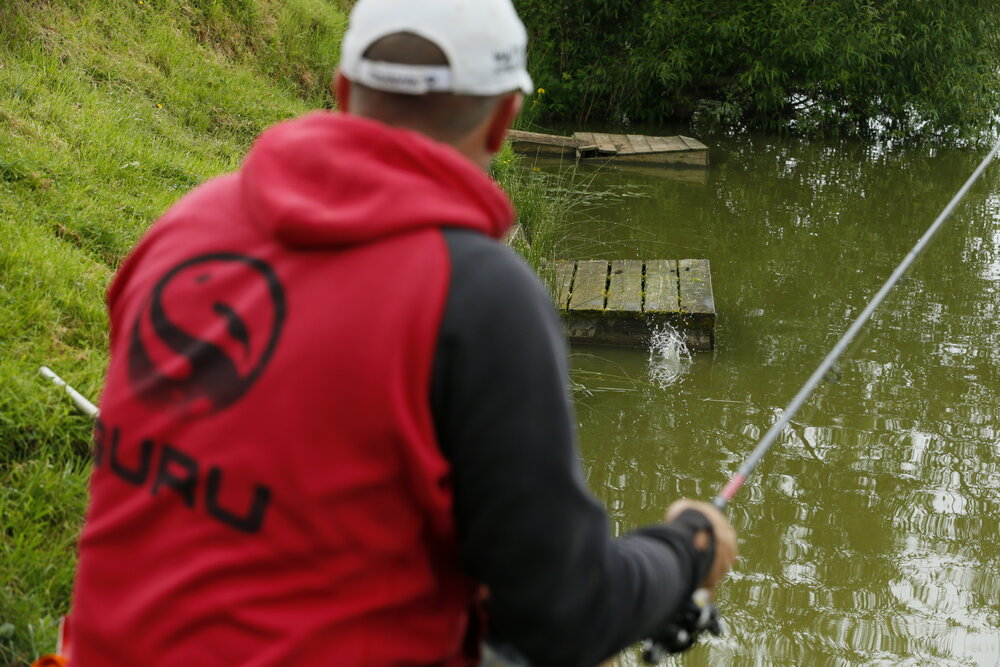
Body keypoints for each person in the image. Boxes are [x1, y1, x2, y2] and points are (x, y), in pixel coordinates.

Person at [65, 0, 737, 665]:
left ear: (342, 90)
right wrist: (688, 549)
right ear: (504, 119)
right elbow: (564, 616)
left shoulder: (186, 225)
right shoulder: (478, 292)